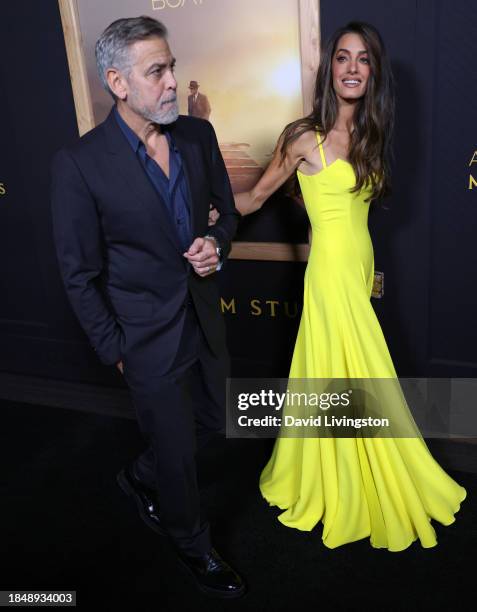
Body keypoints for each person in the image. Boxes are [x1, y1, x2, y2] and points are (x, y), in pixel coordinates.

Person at [235, 21, 466, 551]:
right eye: (343, 57)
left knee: (344, 372)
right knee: (358, 371)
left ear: (374, 72)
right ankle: (342, 474)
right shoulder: (301, 136)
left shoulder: (371, 135)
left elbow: (344, 209)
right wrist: (208, 210)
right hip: (330, 277)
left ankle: (347, 463)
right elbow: (255, 198)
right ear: (330, 68)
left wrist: (315, 212)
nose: (353, 68)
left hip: (358, 269)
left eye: (363, 59)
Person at [51, 16, 245, 597]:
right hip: (142, 338)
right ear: (117, 81)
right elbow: (79, 273)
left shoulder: (197, 137)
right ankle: (193, 543)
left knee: (214, 421)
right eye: (155, 71)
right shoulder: (80, 164)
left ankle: (139, 474)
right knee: (179, 452)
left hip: (203, 318)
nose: (170, 82)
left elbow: (227, 216)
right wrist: (114, 349)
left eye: (171, 68)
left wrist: (218, 245)